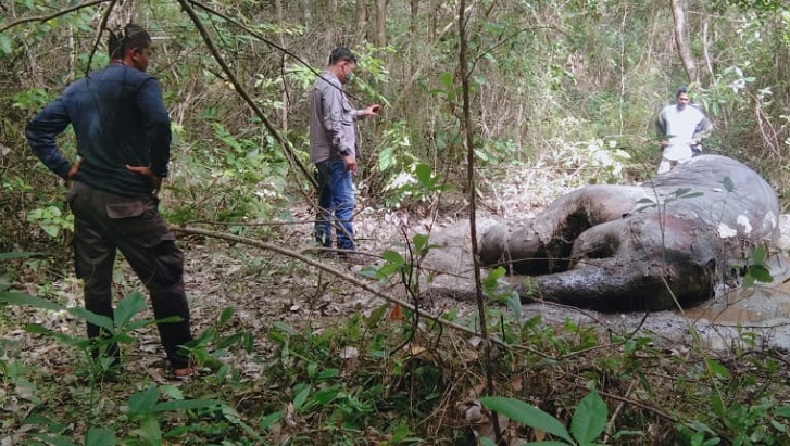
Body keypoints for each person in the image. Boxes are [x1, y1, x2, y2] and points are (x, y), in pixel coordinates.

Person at [25, 24, 193, 377]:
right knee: (165, 272)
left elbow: (38, 129)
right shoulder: (140, 83)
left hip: (84, 199)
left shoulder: (80, 86)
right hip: (125, 200)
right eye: (148, 53)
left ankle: (106, 363)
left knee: (96, 281)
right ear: (135, 53)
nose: (149, 60)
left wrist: (66, 169)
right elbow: (160, 123)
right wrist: (155, 170)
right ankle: (181, 364)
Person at [309, 47, 380, 255]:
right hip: (334, 156)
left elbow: (339, 116)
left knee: (325, 203)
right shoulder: (331, 86)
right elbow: (332, 123)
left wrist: (362, 113)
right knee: (344, 203)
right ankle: (346, 251)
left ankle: (322, 246)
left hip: (321, 155)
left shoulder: (320, 83)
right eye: (351, 69)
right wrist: (346, 152)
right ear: (343, 64)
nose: (351, 74)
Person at [655, 86, 712, 174]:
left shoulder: (694, 113)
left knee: (683, 178)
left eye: (686, 99)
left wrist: (695, 140)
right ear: (677, 98)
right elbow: (658, 123)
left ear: (689, 100)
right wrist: (663, 138)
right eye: (681, 99)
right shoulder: (667, 111)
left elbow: (707, 128)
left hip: (685, 151)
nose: (683, 101)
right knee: (662, 177)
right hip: (669, 149)